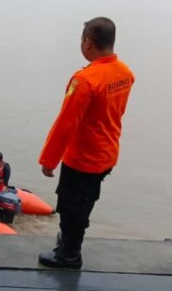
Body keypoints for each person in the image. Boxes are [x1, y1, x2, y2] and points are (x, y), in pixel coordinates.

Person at [38, 17, 135, 269]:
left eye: (82, 40)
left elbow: (65, 124)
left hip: (83, 158)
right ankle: (71, 239)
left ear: (88, 43)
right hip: (107, 153)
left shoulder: (85, 81)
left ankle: (69, 254)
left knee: (71, 206)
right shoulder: (124, 73)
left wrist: (49, 160)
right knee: (87, 199)